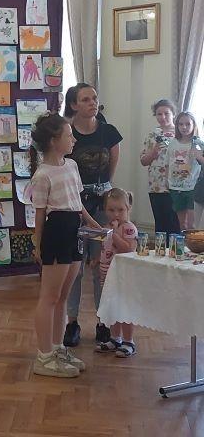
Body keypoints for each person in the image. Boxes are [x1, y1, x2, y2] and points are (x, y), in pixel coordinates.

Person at [30, 112, 101, 378]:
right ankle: (43, 356)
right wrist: (38, 244)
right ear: (53, 141)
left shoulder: (71, 165)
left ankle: (57, 348)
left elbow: (77, 203)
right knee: (49, 297)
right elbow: (40, 214)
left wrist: (93, 224)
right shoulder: (42, 175)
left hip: (74, 230)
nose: (74, 140)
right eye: (69, 135)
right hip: (57, 232)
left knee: (62, 296)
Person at [62, 83, 122, 348]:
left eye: (94, 98)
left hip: (101, 205)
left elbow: (113, 161)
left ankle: (102, 321)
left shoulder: (108, 132)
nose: (92, 103)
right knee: (75, 268)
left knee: (101, 265)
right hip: (73, 205)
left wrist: (105, 192)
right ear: (74, 104)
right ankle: (72, 322)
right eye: (86, 99)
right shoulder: (67, 131)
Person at [95, 188, 138, 357]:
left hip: (123, 276)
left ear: (128, 209)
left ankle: (128, 341)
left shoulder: (128, 228)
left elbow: (128, 248)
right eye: (111, 210)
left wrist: (113, 234)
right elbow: (106, 248)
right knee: (112, 307)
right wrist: (96, 259)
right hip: (108, 275)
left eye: (120, 210)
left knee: (124, 308)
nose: (116, 214)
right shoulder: (108, 228)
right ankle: (115, 338)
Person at [140, 98, 180, 237]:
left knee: (174, 223)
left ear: (173, 114)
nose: (163, 117)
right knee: (160, 223)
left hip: (176, 186)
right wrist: (154, 152)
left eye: (166, 113)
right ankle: (160, 250)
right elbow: (143, 161)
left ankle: (175, 250)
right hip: (155, 185)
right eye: (159, 114)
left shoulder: (180, 133)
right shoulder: (152, 135)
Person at [167, 111, 204, 230]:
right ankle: (183, 242)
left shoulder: (198, 144)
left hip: (193, 187)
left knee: (192, 225)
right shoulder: (172, 143)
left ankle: (193, 242)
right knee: (182, 225)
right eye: (181, 124)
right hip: (176, 187)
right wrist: (167, 181)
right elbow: (169, 164)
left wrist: (198, 156)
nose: (184, 127)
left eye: (188, 124)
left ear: (193, 125)